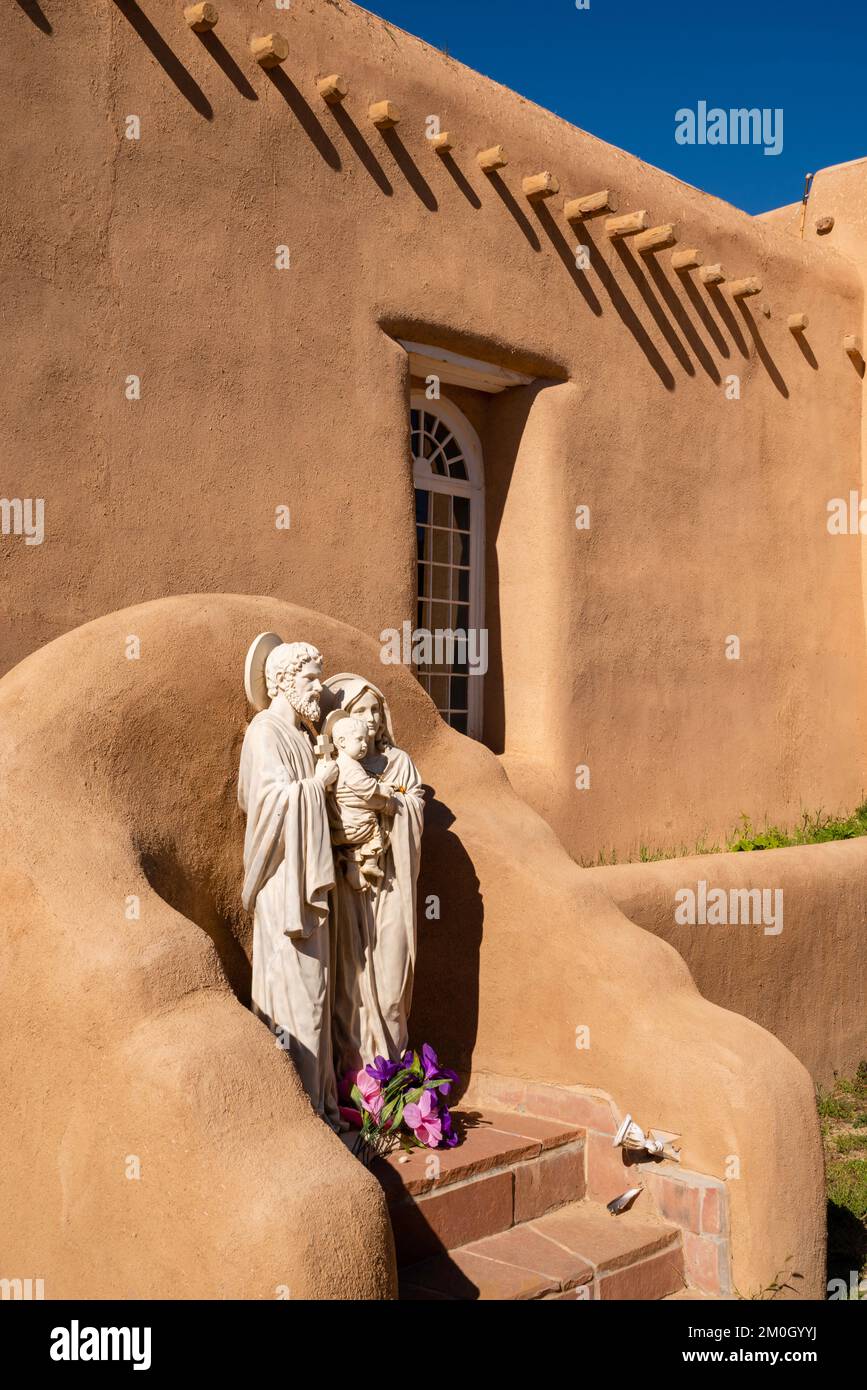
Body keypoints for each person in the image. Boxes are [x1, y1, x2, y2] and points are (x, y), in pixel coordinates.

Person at [238, 637, 342, 1129]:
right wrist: (316, 786)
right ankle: (300, 1118)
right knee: (296, 996)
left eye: (319, 678)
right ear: (281, 680)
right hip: (285, 888)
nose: (319, 689)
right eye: (309, 678)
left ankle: (319, 1105)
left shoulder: (302, 736)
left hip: (310, 884)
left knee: (317, 994)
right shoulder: (264, 732)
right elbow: (267, 803)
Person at [320, 675, 425, 1077]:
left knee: (392, 983)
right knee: (352, 986)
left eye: (374, 709)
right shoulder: (332, 769)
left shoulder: (400, 763)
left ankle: (393, 1074)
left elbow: (413, 805)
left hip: (393, 883)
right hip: (352, 888)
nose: (369, 718)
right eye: (359, 710)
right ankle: (358, 1080)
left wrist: (395, 802)